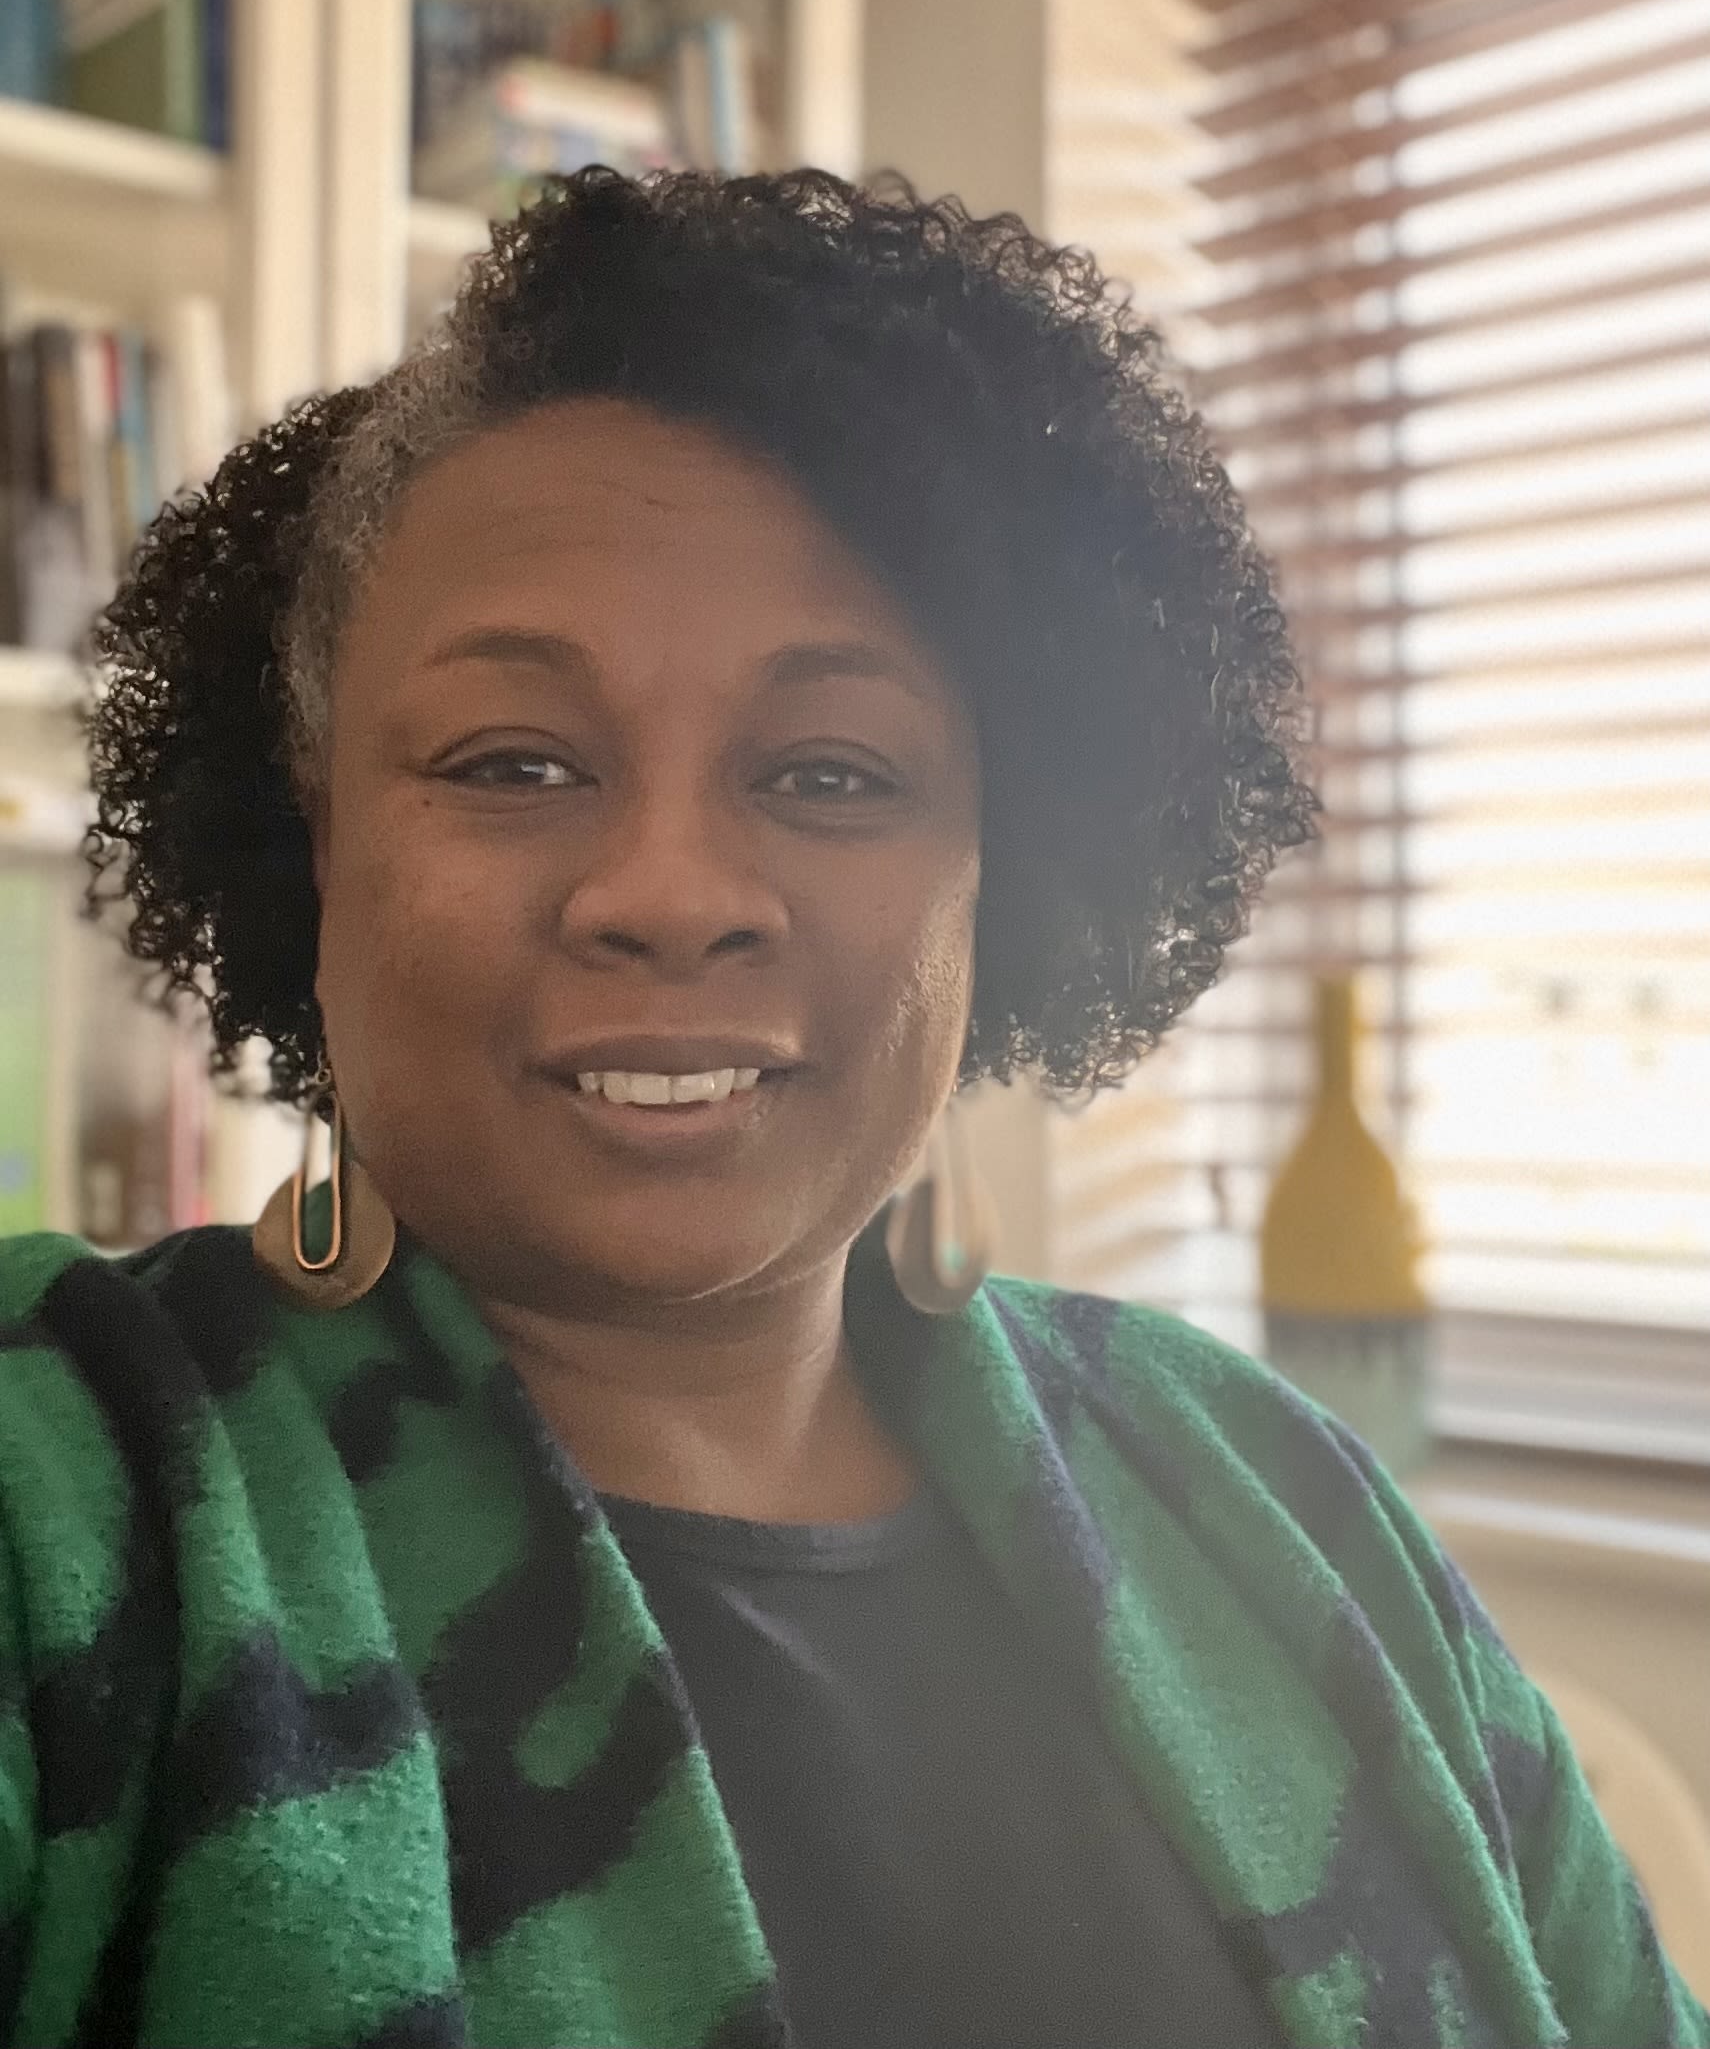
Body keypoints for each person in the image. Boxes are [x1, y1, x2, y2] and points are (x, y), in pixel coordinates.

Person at [0, 168, 1702, 2049]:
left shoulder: (1273, 1497)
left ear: (1006, 866)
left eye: (827, 770)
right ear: (313, 839)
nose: (666, 886)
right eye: (517, 760)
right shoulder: (60, 1491)